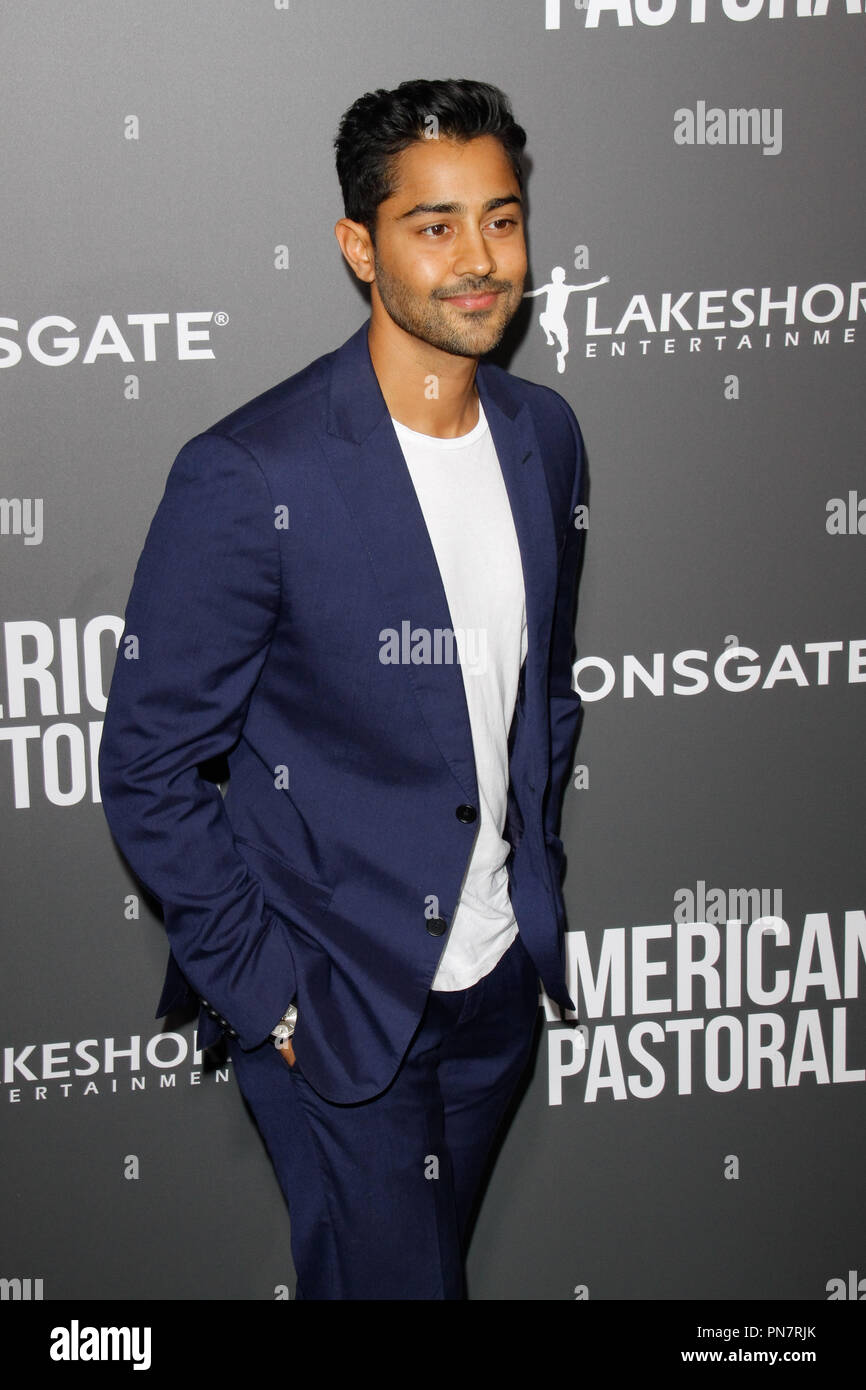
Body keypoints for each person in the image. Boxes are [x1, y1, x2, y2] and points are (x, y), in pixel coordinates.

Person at [99, 77, 585, 1301]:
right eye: (434, 226)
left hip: (495, 997)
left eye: (502, 218)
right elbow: (151, 769)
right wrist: (271, 997)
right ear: (358, 248)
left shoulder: (546, 436)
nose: (479, 260)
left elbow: (543, 693)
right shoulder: (250, 472)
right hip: (338, 1011)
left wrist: (532, 896)